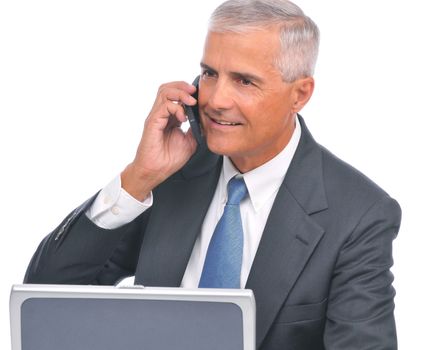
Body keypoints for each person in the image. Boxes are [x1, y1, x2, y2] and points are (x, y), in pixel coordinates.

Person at [24, 0, 401, 349]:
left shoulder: (359, 215)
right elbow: (44, 298)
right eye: (209, 73)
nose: (216, 100)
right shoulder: (173, 176)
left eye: (244, 81)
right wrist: (139, 178)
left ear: (300, 95)